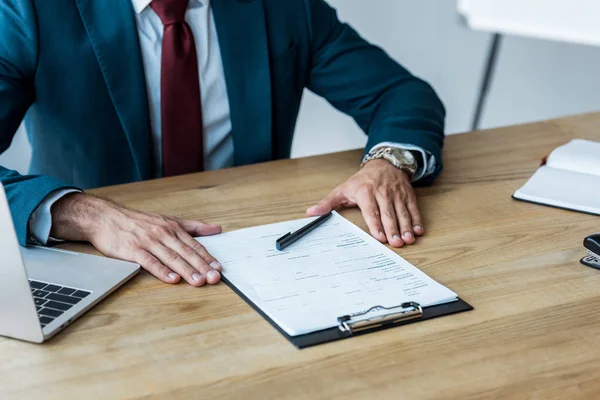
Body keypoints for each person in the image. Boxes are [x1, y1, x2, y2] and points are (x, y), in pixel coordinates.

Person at [0, 0, 445, 287]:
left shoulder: (285, 8)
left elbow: (399, 93)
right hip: (98, 266)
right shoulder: (30, 10)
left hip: (253, 255)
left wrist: (389, 161)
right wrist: (85, 216)